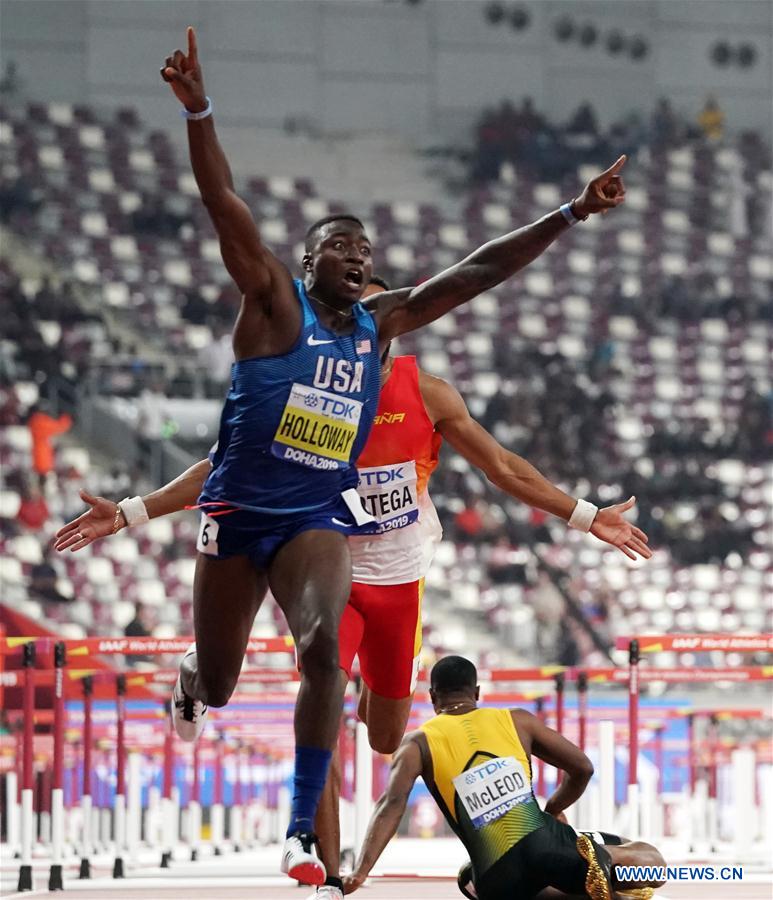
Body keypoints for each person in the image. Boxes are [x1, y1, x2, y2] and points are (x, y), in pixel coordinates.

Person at [68, 23, 628, 885]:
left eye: (366, 251)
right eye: (342, 246)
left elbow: (477, 272)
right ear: (306, 262)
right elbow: (222, 204)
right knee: (230, 683)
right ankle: (206, 691)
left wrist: (571, 212)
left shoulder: (387, 336)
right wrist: (199, 113)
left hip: (327, 530)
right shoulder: (271, 305)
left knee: (339, 678)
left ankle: (303, 838)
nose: (359, 257)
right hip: (242, 518)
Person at [57, 278, 650, 898]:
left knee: (386, 736)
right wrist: (130, 511)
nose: (359, 327)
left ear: (394, 324)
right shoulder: (306, 394)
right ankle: (328, 873)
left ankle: (348, 685)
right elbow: (222, 467)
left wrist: (586, 516)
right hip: (325, 571)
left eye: (372, 315)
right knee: (323, 699)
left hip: (399, 580)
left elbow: (501, 466)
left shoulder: (428, 394)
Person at [343, 656, 665, 900]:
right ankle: (605, 881)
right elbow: (583, 768)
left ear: (432, 696)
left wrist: (360, 871)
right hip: (549, 849)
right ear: (477, 692)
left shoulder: (417, 743)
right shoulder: (517, 721)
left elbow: (390, 806)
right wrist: (554, 809)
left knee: (467, 879)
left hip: (495, 881)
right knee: (652, 863)